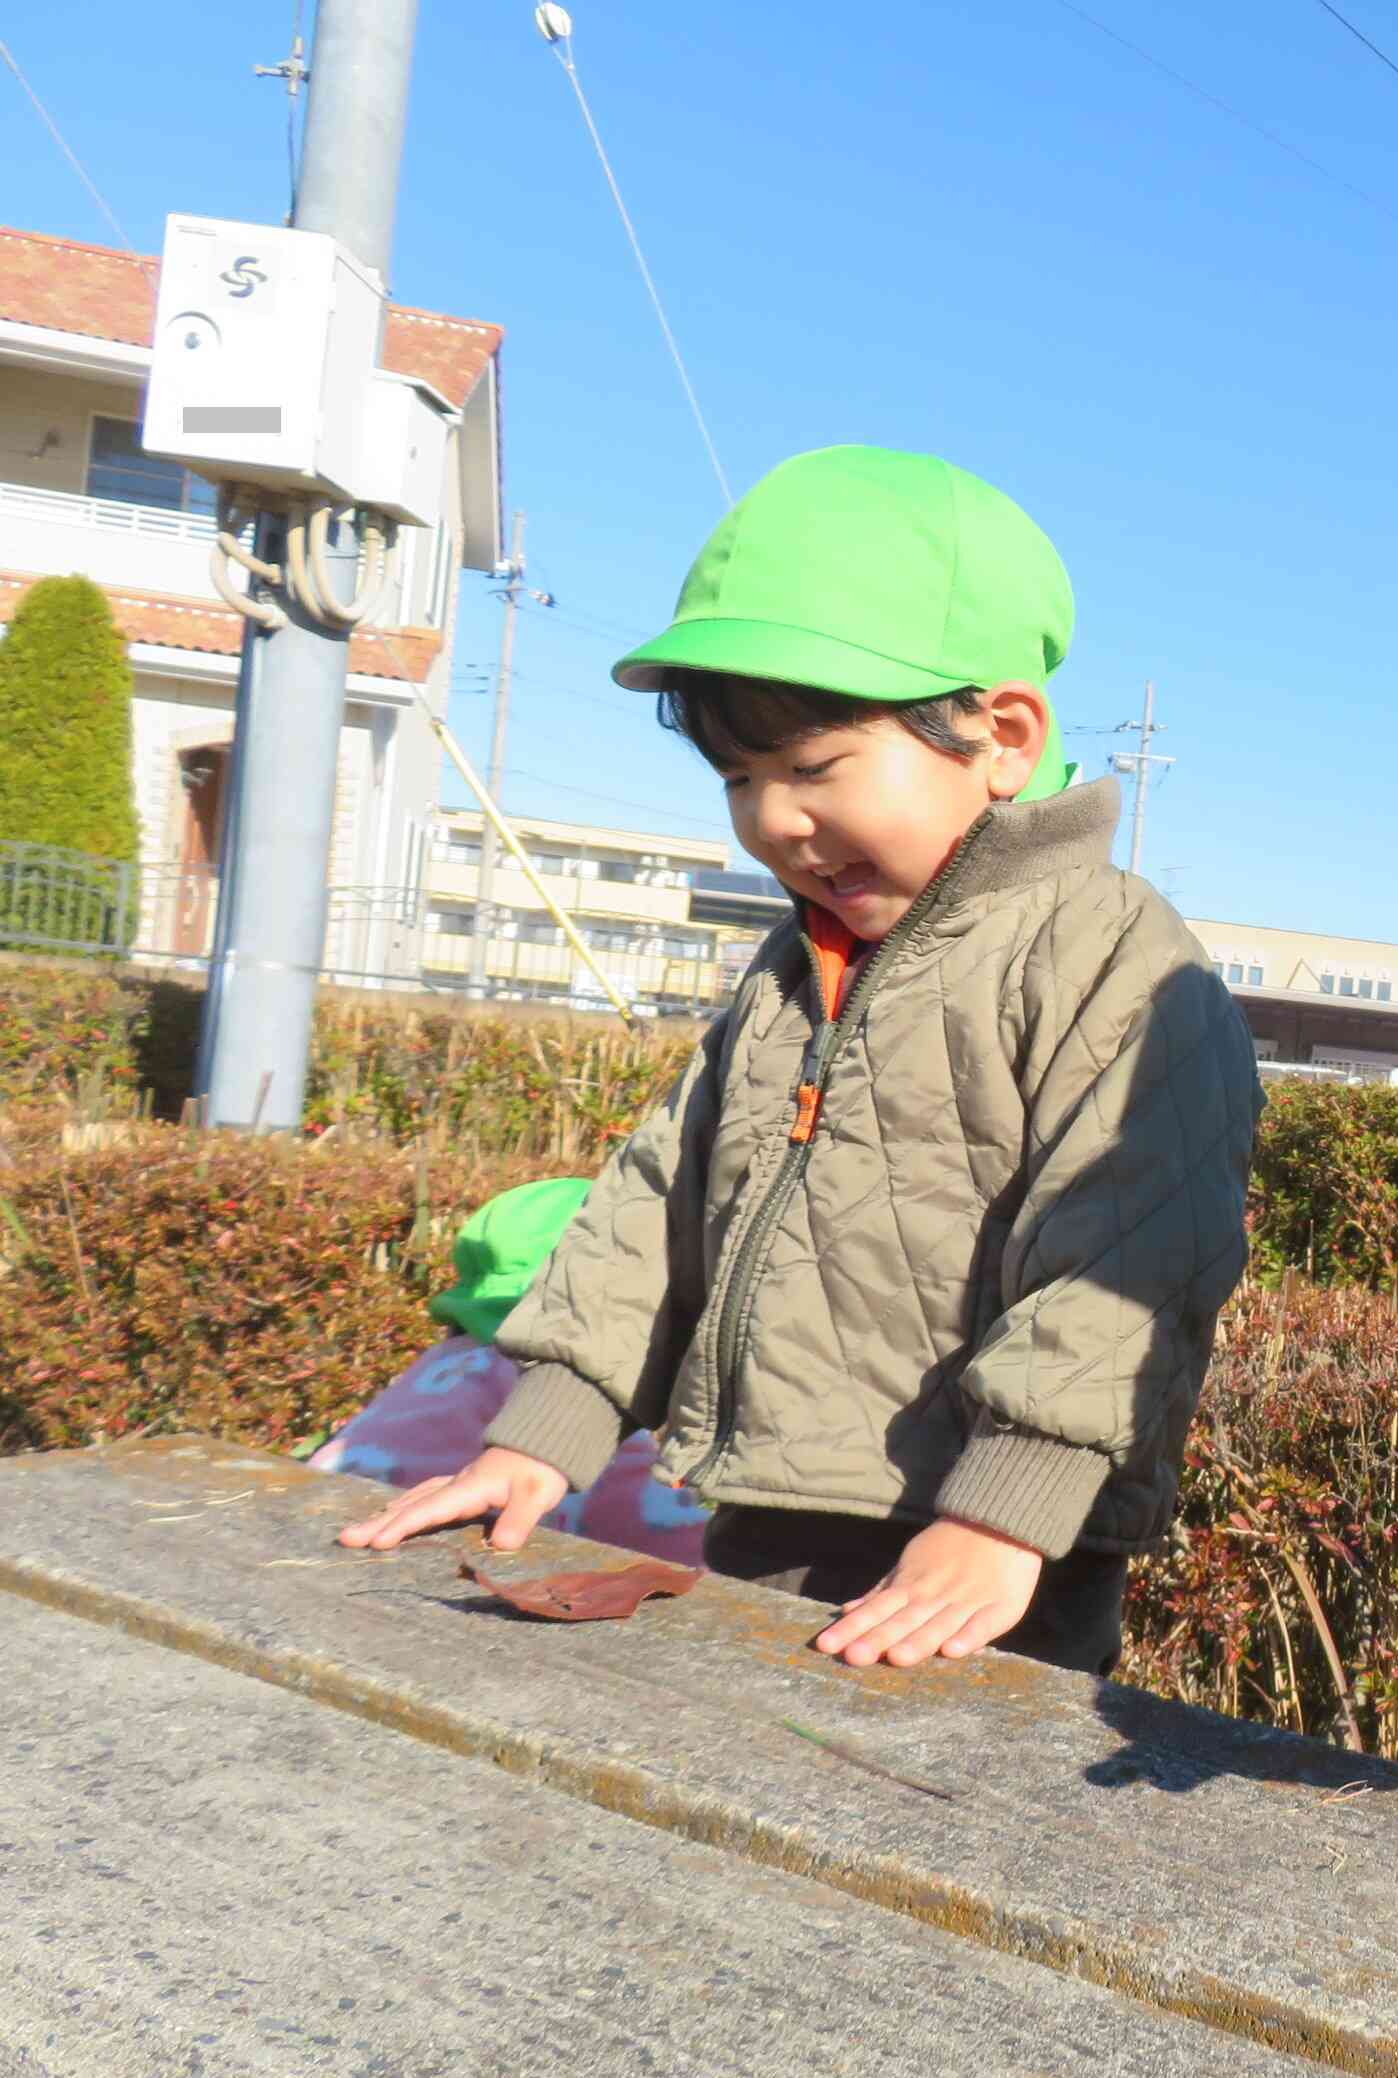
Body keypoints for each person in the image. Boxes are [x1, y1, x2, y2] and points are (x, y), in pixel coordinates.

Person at [341, 446, 1262, 1678]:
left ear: (1000, 734)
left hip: (989, 1556)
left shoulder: (1112, 956)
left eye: (815, 767)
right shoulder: (797, 964)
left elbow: (1133, 1247)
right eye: (739, 777)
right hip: (765, 1500)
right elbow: (659, 1200)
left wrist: (1005, 1507)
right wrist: (546, 1431)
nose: (773, 819)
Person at [311, 1177, 708, 1567]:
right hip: (427, 1563)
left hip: (334, 1520)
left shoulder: (443, 1363)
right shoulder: (562, 1388)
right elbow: (660, 1525)